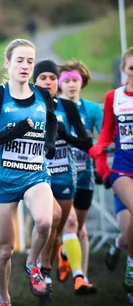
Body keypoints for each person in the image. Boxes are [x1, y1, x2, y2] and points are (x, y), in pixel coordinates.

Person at [0, 39, 57, 306]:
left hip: (35, 173)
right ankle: (4, 297)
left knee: (44, 222)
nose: (25, 66)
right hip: (5, 180)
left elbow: (51, 119)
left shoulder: (42, 94)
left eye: (30, 61)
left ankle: (32, 265)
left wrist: (49, 142)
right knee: (5, 250)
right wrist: (13, 132)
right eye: (19, 60)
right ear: (7, 64)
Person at [33, 60, 96, 295]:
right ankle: (43, 272)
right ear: (35, 81)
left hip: (65, 176)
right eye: (43, 78)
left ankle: (49, 269)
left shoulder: (67, 108)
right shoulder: (28, 107)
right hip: (38, 178)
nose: (48, 82)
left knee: (61, 228)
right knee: (49, 223)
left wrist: (64, 135)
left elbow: (87, 143)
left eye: (52, 78)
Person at [89, 46, 133, 293]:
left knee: (128, 237)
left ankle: (118, 246)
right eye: (132, 68)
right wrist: (99, 149)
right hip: (123, 172)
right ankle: (131, 269)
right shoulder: (113, 97)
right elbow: (106, 132)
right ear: (123, 69)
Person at [57, 60, 103, 279]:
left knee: (79, 229)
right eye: (66, 81)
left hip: (85, 176)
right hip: (60, 178)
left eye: (75, 80)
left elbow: (104, 139)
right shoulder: (52, 107)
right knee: (70, 223)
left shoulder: (92, 109)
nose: (72, 85)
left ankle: (81, 274)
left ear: (82, 81)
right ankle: (77, 276)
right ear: (59, 83)